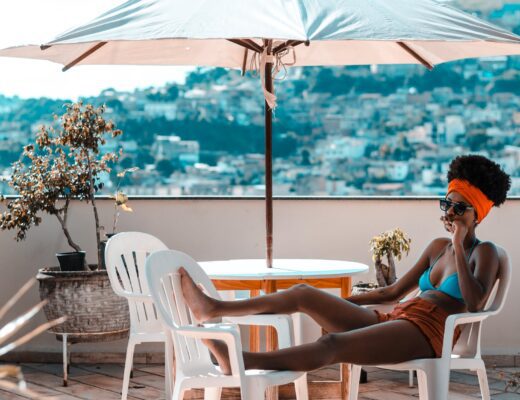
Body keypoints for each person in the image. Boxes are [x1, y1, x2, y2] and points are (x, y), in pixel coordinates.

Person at [179, 154, 511, 375]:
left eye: (460, 208)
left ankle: (239, 362)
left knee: (332, 346)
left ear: (477, 214)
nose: (450, 213)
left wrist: (458, 241)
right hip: (399, 316)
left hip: (430, 333)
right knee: (304, 294)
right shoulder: (437, 248)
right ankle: (214, 307)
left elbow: (474, 302)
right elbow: (394, 290)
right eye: (447, 203)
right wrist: (344, 303)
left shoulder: (485, 253)